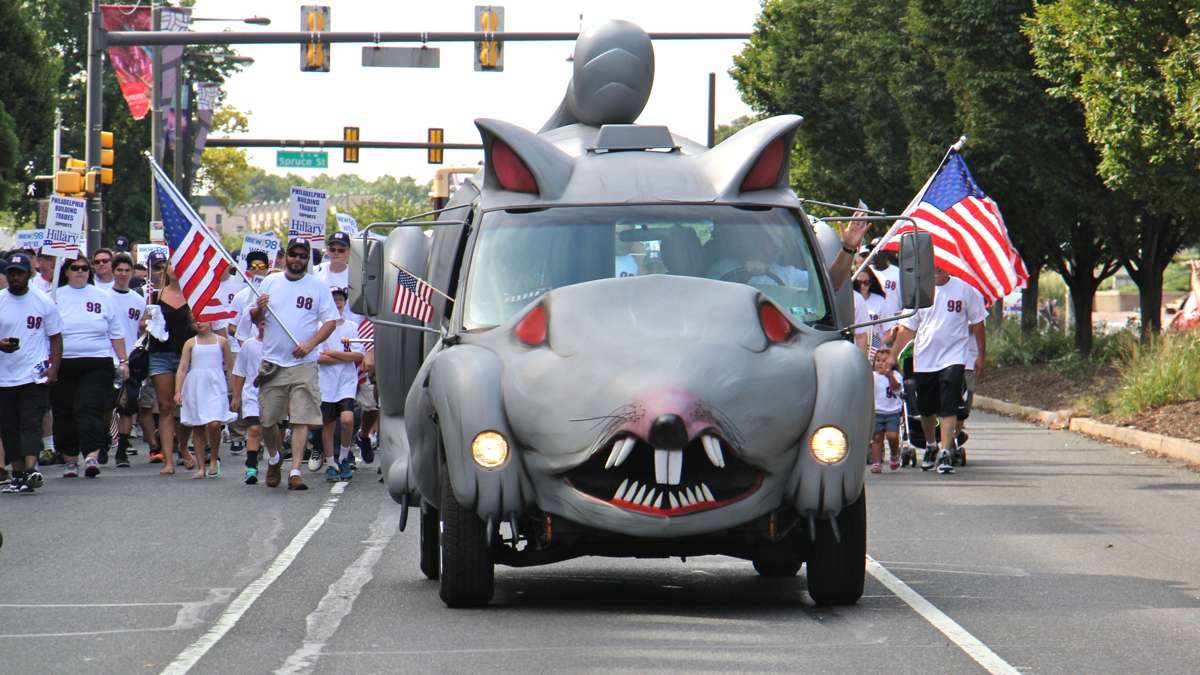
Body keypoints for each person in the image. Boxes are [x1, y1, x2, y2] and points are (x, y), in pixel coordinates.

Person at [251, 238, 339, 491]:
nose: (298, 259)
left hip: (304, 362)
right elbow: (255, 318)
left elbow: (331, 321)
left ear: (307, 260)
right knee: (268, 421)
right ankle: (275, 458)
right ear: (286, 256)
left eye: (303, 256)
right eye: (294, 254)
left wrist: (311, 344)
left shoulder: (317, 287)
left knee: (301, 418)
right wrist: (259, 308)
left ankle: (296, 471)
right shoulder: (270, 282)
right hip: (273, 361)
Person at [889, 266, 986, 475]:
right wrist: (893, 354)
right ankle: (931, 446)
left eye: (940, 267)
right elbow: (908, 328)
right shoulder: (920, 292)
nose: (936, 270)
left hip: (954, 357)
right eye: (931, 267)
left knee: (948, 405)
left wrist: (980, 355)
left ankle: (945, 451)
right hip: (925, 359)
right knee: (926, 408)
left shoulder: (964, 290)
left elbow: (978, 323)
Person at [52, 253, 128, 479]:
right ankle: (69, 460)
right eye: (75, 268)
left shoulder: (102, 296)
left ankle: (92, 455)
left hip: (97, 361)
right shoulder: (54, 297)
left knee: (89, 408)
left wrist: (123, 361)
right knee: (64, 411)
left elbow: (115, 332)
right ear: (66, 271)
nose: (80, 272)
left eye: (84, 268)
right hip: (63, 362)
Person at [0, 253, 62, 494]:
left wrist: (54, 369)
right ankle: (17, 473)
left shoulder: (43, 302)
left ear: (29, 274)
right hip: (4, 376)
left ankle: (30, 470)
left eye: (20, 273)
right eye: (12, 273)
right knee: (9, 427)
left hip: (33, 375)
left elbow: (56, 337)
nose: (15, 277)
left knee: (30, 422)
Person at [142, 251, 197, 475]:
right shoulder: (154, 295)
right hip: (160, 354)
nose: (175, 268)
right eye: (172, 264)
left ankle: (182, 445)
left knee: (186, 406)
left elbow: (197, 326)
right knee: (165, 407)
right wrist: (149, 320)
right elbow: (142, 324)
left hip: (186, 354)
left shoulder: (194, 295)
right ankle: (168, 461)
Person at [174, 317, 235, 479]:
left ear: (212, 322)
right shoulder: (190, 343)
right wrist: (178, 391)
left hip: (215, 384)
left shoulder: (221, 342)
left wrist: (234, 391)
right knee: (198, 425)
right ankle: (201, 467)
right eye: (195, 321)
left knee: (214, 423)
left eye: (203, 320)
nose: (199, 323)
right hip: (195, 384)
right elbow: (182, 368)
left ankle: (214, 458)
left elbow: (230, 367)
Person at [316, 289, 364, 481]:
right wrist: (344, 357)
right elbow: (318, 357)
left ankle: (344, 457)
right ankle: (331, 463)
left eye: (340, 300)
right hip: (326, 383)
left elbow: (358, 356)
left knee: (346, 420)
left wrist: (333, 353)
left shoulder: (351, 327)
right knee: (327, 424)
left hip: (346, 381)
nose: (337, 303)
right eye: (334, 300)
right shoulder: (320, 327)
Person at [106, 253, 144, 467]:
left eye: (126, 270)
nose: (122, 274)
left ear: (131, 273)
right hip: (106, 357)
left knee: (127, 406)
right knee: (106, 404)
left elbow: (141, 329)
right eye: (119, 270)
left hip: (130, 358)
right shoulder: (104, 297)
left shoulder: (138, 300)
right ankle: (104, 440)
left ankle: (122, 449)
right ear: (113, 272)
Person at [230, 311, 266, 485]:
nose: (264, 327)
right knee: (253, 429)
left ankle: (274, 458)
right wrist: (236, 396)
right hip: (252, 394)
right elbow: (239, 372)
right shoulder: (249, 345)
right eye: (262, 324)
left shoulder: (279, 345)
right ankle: (251, 467)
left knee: (274, 433)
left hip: (274, 395)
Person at [870, 347, 903, 473]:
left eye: (884, 361)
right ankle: (877, 463)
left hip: (892, 412)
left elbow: (896, 388)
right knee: (877, 438)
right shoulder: (872, 376)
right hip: (876, 412)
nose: (880, 363)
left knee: (892, 436)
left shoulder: (896, 375)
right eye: (877, 360)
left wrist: (889, 376)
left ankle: (894, 455)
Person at [852, 267, 887, 358]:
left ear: (871, 283)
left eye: (866, 283)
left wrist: (876, 347)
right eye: (859, 282)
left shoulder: (880, 300)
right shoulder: (851, 298)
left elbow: (890, 330)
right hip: (854, 348)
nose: (862, 286)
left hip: (876, 351)